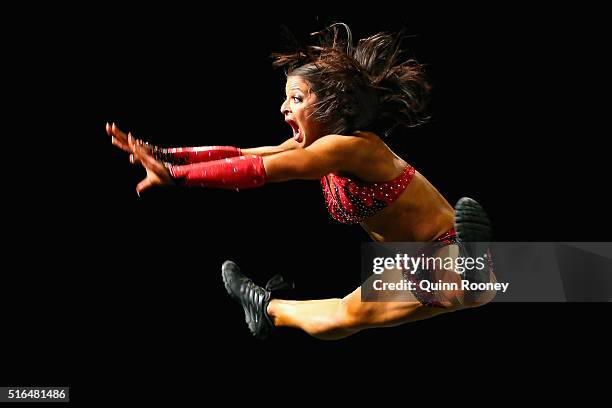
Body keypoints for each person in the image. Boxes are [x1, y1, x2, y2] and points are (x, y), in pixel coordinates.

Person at [107, 23, 495, 340]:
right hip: (415, 263)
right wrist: (168, 155)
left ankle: (472, 266)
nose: (283, 108)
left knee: (468, 283)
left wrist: (175, 178)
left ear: (331, 105)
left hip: (445, 250)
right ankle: (265, 307)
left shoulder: (354, 149)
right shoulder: (321, 152)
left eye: (296, 98)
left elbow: (260, 172)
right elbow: (248, 155)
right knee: (342, 317)